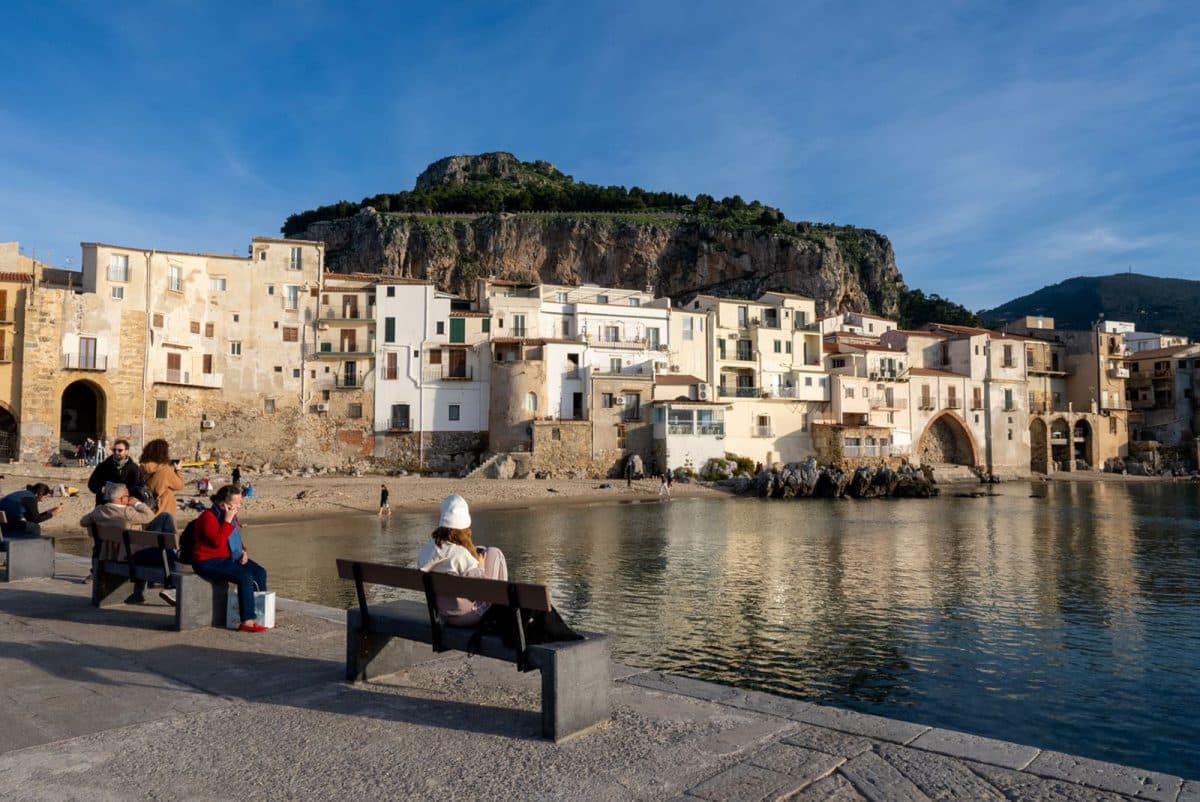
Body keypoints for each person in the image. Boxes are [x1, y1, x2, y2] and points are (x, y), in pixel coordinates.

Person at [417, 494, 508, 627]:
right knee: (495, 553)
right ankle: (503, 607)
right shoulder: (461, 555)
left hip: (441, 615)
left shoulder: (426, 550)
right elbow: (483, 590)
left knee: (480, 550)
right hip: (469, 616)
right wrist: (481, 567)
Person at [80, 482, 176, 605]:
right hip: (129, 555)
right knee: (165, 517)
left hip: (109, 554)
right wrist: (137, 503)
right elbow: (150, 516)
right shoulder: (127, 512)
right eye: (127, 496)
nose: (129, 497)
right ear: (121, 499)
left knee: (160, 528)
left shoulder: (99, 511)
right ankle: (172, 552)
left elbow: (83, 522)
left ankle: (140, 592)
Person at [191, 484, 270, 632]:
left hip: (229, 557)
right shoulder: (208, 517)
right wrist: (227, 520)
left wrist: (243, 551)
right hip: (207, 561)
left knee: (260, 572)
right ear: (223, 504)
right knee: (244, 577)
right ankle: (247, 621)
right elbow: (217, 543)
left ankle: (261, 615)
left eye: (240, 503)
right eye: (236, 504)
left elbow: (235, 538)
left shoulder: (231, 515)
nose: (238, 506)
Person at [139, 439, 184, 533]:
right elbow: (179, 485)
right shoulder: (165, 470)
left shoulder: (142, 467)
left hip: (149, 509)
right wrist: (178, 470)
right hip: (164, 509)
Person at [87, 438, 143, 507]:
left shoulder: (134, 468)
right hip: (105, 506)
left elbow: (139, 487)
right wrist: (102, 489)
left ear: (126, 451)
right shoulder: (103, 466)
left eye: (120, 450)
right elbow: (92, 484)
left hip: (125, 508)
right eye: (114, 450)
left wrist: (126, 494)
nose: (116, 452)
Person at [0, 483, 65, 538]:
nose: (43, 500)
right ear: (40, 493)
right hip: (8, 524)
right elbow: (36, 520)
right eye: (45, 496)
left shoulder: (23, 494)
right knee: (35, 527)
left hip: (2, 524)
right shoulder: (30, 498)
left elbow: (30, 518)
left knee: (30, 525)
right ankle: (31, 549)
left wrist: (48, 512)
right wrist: (53, 513)